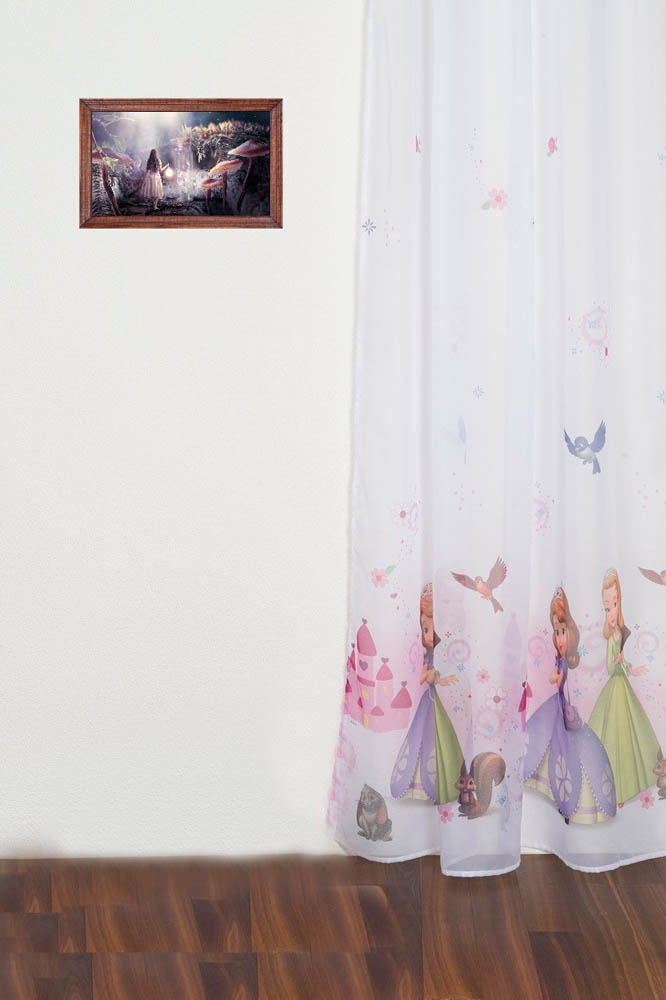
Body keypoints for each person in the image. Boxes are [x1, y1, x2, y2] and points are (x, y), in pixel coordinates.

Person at [523, 587, 616, 823]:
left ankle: (569, 800)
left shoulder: (563, 663)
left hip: (561, 708)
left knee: (562, 746)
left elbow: (558, 680)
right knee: (549, 743)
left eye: (562, 631)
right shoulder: (559, 659)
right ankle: (549, 787)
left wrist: (553, 677)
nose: (559, 638)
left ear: (571, 633)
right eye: (556, 632)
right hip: (557, 706)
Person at [390, 582, 463, 805]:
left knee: (441, 739)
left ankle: (445, 782)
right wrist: (432, 675)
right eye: (425, 629)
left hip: (437, 703)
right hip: (428, 702)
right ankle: (421, 786)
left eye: (433, 629)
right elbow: (423, 678)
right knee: (422, 739)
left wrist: (439, 677)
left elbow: (438, 677)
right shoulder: (428, 657)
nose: (429, 635)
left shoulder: (443, 656)